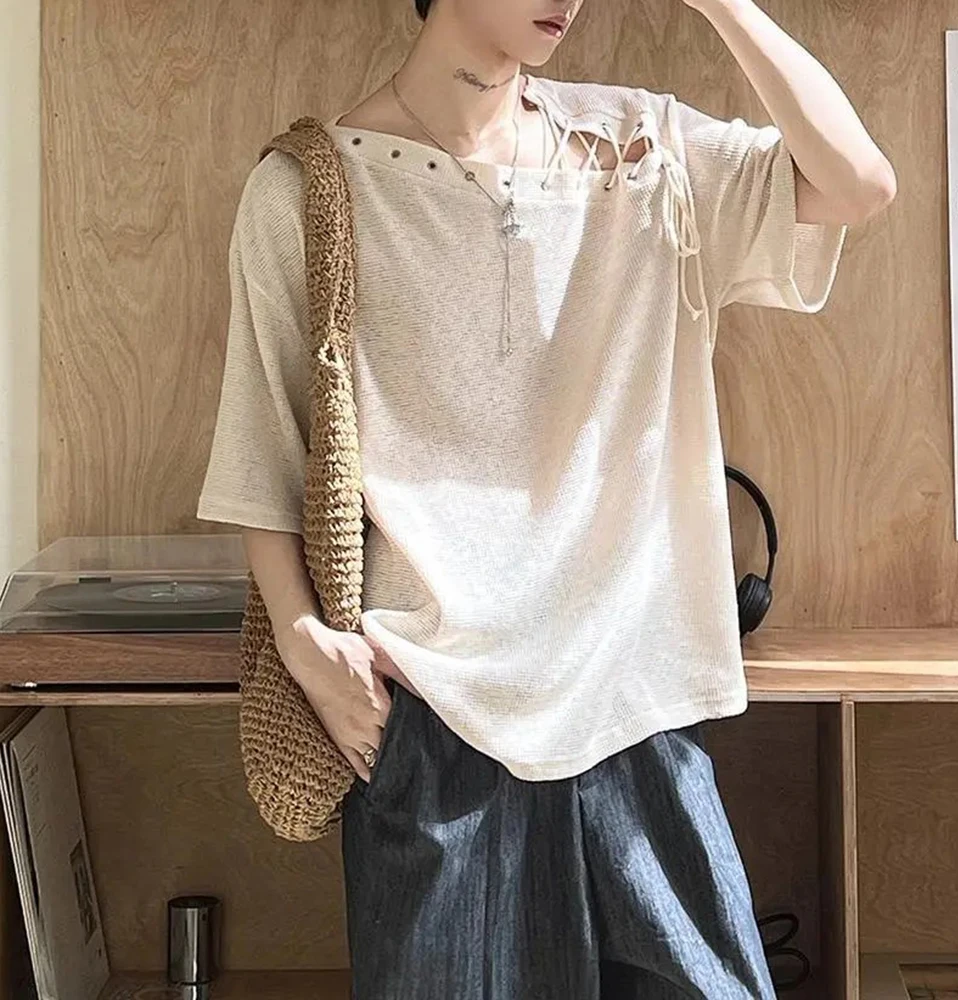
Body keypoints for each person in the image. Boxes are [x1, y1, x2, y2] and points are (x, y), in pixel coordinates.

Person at [197, 0, 895, 996]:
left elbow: (858, 184)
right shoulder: (310, 191)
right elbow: (263, 449)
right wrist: (305, 643)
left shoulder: (643, 153)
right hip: (430, 719)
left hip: (636, 709)